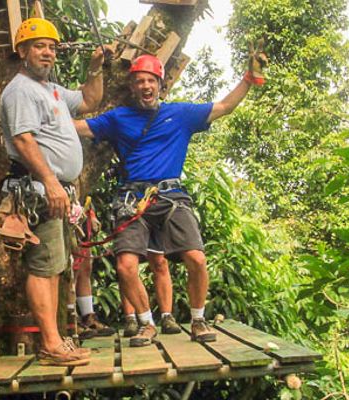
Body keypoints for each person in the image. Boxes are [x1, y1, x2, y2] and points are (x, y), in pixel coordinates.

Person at [75, 53, 264, 347]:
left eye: (151, 80)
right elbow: (80, 127)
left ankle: (198, 320)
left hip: (171, 195)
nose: (145, 86)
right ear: (132, 87)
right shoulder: (118, 118)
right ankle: (146, 324)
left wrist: (249, 79)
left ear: (160, 85)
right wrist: (43, 111)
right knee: (125, 266)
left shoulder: (181, 114)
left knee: (196, 258)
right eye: (140, 81)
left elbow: (225, 107)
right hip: (132, 198)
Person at [0, 17, 110, 366]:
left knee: (55, 266)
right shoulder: (21, 90)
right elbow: (23, 139)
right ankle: (50, 344)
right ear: (22, 52)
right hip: (39, 189)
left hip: (54, 189)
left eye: (51, 47)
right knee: (42, 265)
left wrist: (95, 68)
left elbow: (90, 100)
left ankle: (56, 341)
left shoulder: (53, 91)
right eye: (39, 46)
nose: (47, 53)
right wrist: (49, 181)